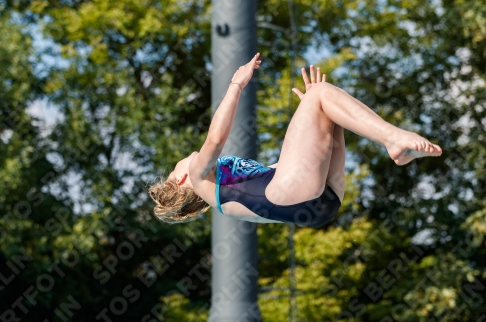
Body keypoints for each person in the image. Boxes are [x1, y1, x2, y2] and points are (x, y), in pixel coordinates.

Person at [148, 53, 442, 225]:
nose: (184, 160)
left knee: (325, 104)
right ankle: (393, 140)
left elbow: (282, 169)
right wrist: (237, 84)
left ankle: (376, 133)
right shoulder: (200, 178)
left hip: (317, 205)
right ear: (182, 180)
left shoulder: (226, 189)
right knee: (319, 96)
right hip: (293, 195)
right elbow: (214, 140)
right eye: (176, 168)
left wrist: (312, 119)